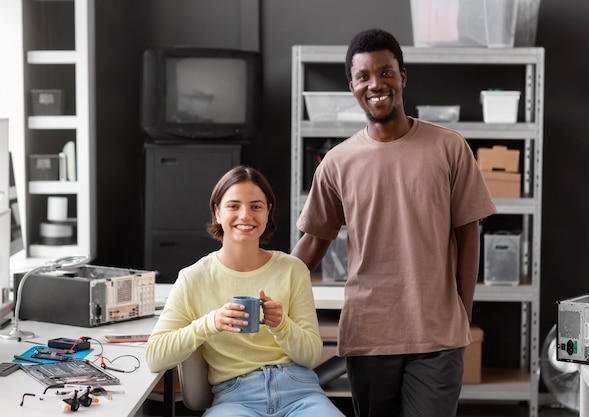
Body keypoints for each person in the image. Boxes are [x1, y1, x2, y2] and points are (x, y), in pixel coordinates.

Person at [291, 28, 497, 417]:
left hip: (436, 334)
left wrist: (462, 314)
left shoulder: (448, 147)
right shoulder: (337, 162)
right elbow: (314, 242)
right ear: (351, 85)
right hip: (369, 335)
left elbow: (469, 234)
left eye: (386, 72)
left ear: (403, 76)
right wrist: (262, 282)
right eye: (363, 76)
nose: (376, 84)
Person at [146, 165, 345, 417]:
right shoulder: (193, 278)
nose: (245, 215)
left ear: (268, 212)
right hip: (235, 397)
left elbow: (310, 355)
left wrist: (282, 324)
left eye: (256, 206)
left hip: (300, 392)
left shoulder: (293, 270)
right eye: (233, 206)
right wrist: (210, 323)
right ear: (217, 212)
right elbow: (155, 356)